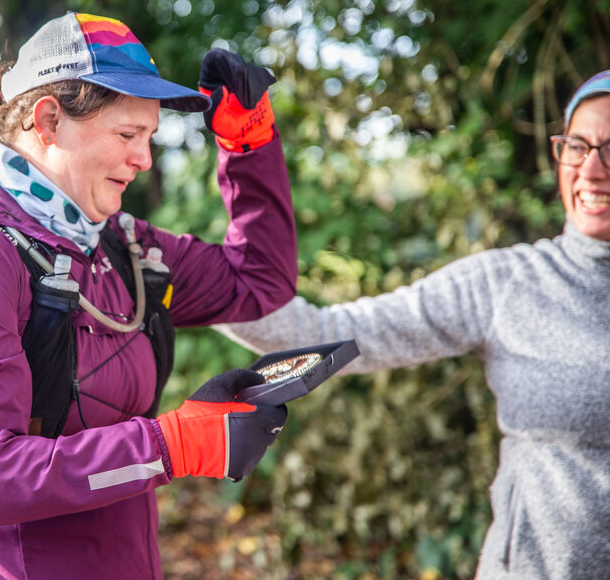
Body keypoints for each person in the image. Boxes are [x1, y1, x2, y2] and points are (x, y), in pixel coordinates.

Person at [0, 12, 298, 578]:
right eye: (127, 135)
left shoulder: (114, 245)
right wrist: (171, 444)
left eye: (148, 137)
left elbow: (259, 278)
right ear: (47, 120)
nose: (144, 159)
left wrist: (248, 145)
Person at [216, 70, 610, 579]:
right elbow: (329, 332)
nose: (591, 169)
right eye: (577, 146)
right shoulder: (509, 283)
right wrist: (195, 288)